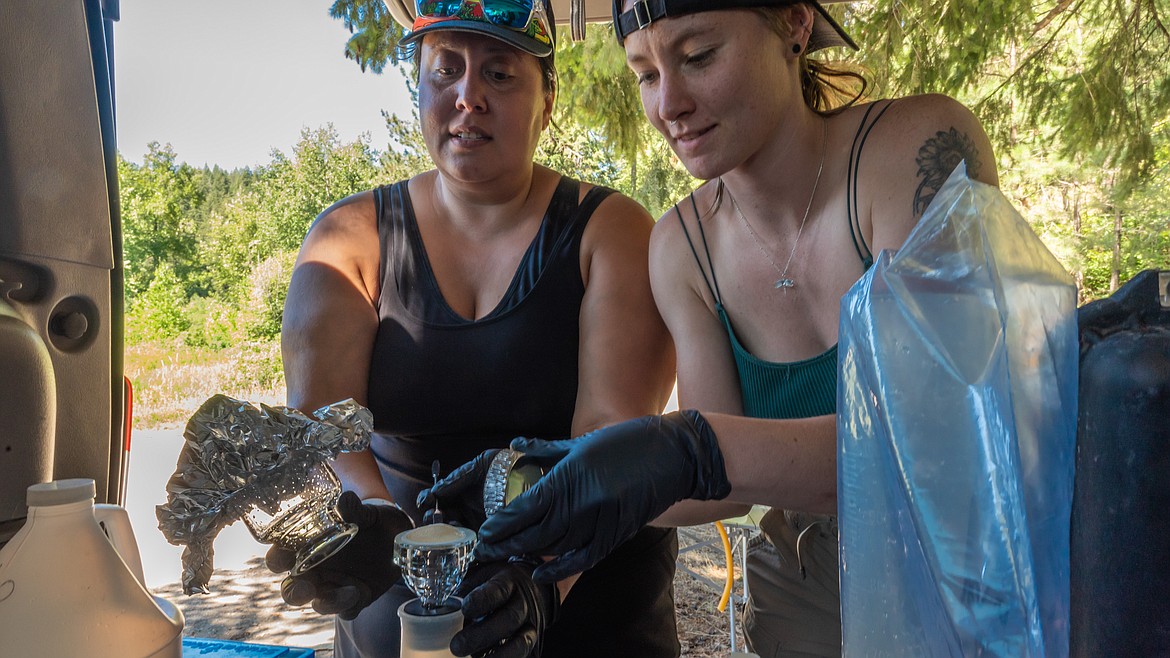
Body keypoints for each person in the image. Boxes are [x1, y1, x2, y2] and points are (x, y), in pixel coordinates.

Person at [461, 1, 1001, 656]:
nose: (670, 106)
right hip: (803, 570)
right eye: (646, 74)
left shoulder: (913, 149)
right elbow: (712, 489)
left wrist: (689, 451)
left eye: (698, 56)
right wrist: (561, 498)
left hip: (971, 563)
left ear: (795, 25)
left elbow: (934, 448)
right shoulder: (681, 246)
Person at [268, 0, 679, 656]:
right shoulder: (348, 241)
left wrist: (539, 579)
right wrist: (367, 518)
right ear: (420, 90)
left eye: (500, 73)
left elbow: (610, 433)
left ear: (547, 102)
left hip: (590, 607)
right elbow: (322, 427)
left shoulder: (614, 232)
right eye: (445, 70)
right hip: (399, 615)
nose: (468, 96)